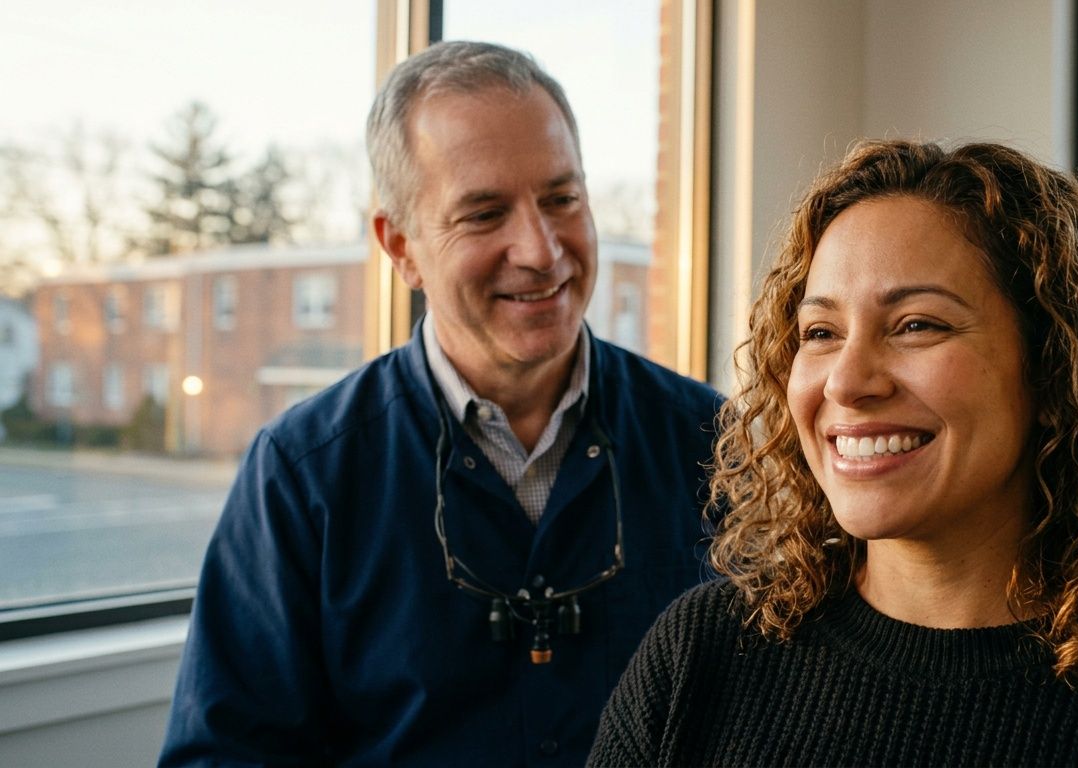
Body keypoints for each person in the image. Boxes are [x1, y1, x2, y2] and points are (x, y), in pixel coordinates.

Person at [589, 140, 1078, 767]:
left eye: (917, 325)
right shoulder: (700, 656)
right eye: (820, 333)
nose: (847, 382)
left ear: (1055, 369)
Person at [160, 41, 722, 766]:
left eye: (562, 198)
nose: (542, 250)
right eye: (485, 214)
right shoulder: (303, 475)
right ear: (401, 247)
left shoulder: (711, 441)